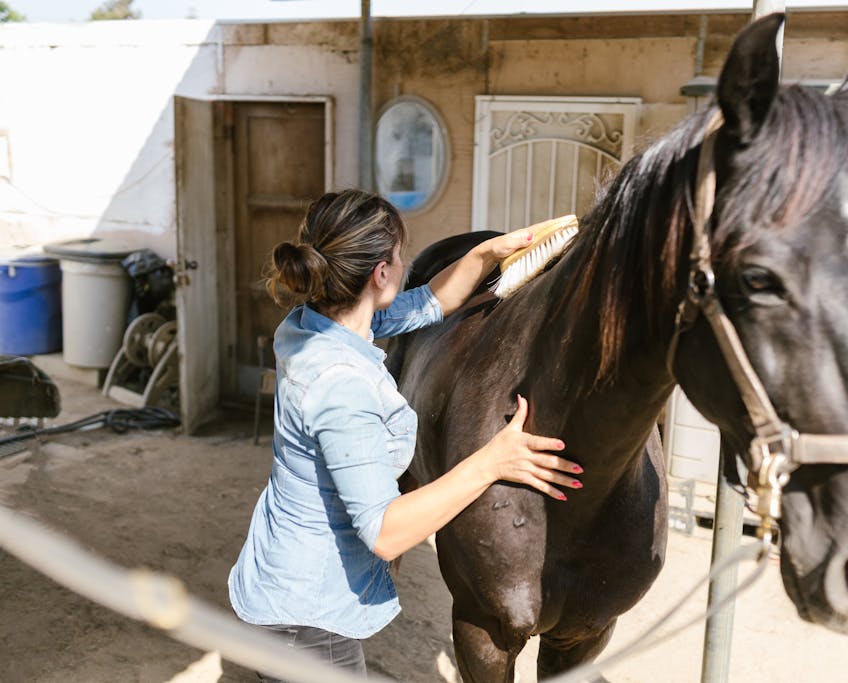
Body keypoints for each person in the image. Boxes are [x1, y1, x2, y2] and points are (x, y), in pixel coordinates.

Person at [228, 189, 583, 680]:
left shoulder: (314, 322)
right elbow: (386, 532)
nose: (404, 263)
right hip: (306, 620)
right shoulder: (342, 385)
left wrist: (485, 254)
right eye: (400, 256)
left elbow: (429, 303)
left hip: (280, 577)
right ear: (380, 274)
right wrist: (492, 462)